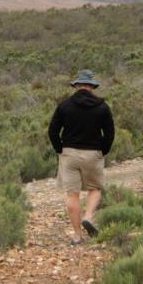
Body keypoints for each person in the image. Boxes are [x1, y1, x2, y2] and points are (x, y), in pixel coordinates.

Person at [48, 69, 115, 243]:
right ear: (92, 86)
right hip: (93, 153)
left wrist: (59, 149)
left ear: (77, 85)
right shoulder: (102, 106)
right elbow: (109, 133)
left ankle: (77, 236)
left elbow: (53, 131)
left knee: (72, 194)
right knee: (95, 188)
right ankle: (89, 215)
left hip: (69, 153)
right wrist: (103, 150)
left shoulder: (64, 105)